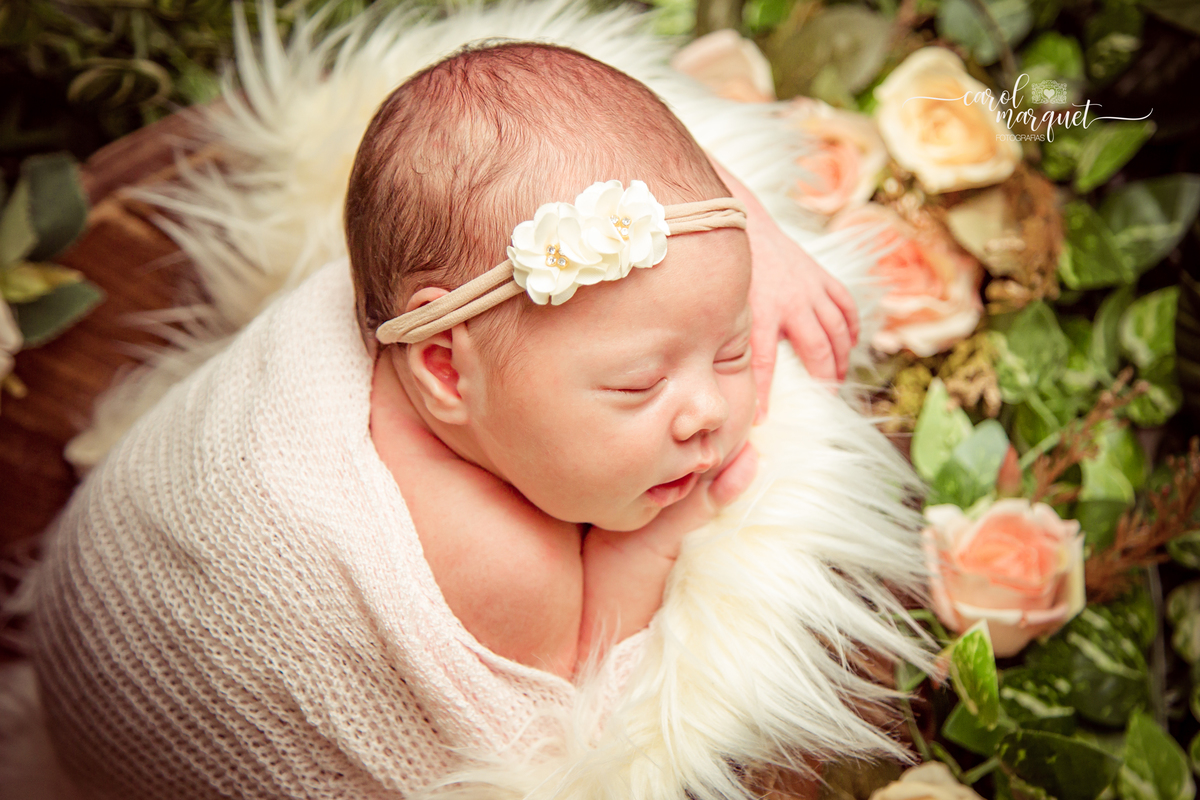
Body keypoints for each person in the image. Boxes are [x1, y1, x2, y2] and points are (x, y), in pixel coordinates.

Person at [31, 41, 862, 799]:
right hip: (155, 690)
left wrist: (761, 232)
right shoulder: (502, 562)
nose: (712, 413)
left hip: (60, 632)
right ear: (443, 370)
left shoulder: (431, 291)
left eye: (728, 351)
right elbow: (592, 706)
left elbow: (655, 187)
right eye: (640, 387)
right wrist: (665, 527)